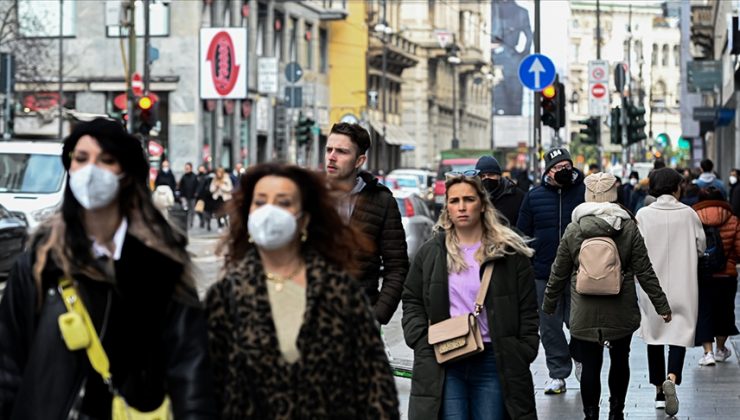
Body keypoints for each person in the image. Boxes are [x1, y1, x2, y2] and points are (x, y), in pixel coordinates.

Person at [0, 118, 216, 418]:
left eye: (106, 160)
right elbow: (8, 364)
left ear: (125, 174)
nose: (91, 170)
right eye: (81, 158)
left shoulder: (161, 265)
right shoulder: (39, 264)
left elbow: (190, 369)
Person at [206, 163, 399, 419]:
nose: (270, 211)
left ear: (305, 218)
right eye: (260, 201)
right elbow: (205, 389)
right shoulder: (226, 295)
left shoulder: (339, 292)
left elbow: (376, 388)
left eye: (283, 202)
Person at [402, 172, 539, 420]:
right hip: (446, 358)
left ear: (482, 204)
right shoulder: (432, 252)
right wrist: (421, 339)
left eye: (469, 199)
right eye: (454, 201)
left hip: (493, 360)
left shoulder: (508, 253)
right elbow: (412, 299)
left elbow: (528, 308)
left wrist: (524, 349)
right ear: (447, 208)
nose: (462, 207)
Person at [544, 172, 672, 420]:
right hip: (620, 308)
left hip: (583, 309)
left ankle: (591, 414)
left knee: (590, 364)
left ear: (587, 195)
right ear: (614, 195)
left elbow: (558, 271)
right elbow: (644, 271)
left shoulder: (574, 229)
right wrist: (662, 305)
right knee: (620, 360)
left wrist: (549, 304)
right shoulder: (628, 228)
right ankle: (616, 413)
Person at [635, 167, 706, 417]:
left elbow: (636, 249)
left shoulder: (643, 214)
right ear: (677, 187)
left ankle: (657, 391)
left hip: (651, 286)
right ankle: (671, 378)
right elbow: (701, 246)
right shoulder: (688, 214)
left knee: (654, 336)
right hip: (683, 282)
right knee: (679, 333)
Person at [324, 122, 408, 325]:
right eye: (329, 149)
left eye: (342, 151)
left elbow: (397, 267)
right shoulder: (306, 195)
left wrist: (377, 316)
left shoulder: (381, 201)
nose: (332, 157)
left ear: (359, 160)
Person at [517, 147, 585, 394]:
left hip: (579, 272)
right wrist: (529, 264)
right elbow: (521, 233)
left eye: (568, 167)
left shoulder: (585, 192)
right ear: (549, 171)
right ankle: (558, 374)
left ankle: (580, 359)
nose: (564, 171)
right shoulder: (534, 196)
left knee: (578, 322)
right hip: (544, 274)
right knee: (550, 326)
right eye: (559, 168)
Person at [691, 187, 740, 366]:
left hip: (702, 273)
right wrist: (730, 260)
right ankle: (720, 349)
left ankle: (708, 352)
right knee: (725, 311)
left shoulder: (693, 218)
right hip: (727, 275)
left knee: (704, 311)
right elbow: (738, 249)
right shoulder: (733, 219)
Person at [475, 155, 525, 226]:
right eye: (482, 176)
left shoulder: (517, 195)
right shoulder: (474, 197)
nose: (486, 178)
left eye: (491, 174)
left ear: (499, 176)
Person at [178, 162, 199, 228]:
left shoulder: (194, 176)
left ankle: (191, 222)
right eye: (186, 168)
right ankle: (186, 222)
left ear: (191, 168)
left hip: (192, 196)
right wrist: (181, 195)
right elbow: (181, 187)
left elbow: (197, 186)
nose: (186, 169)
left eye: (188, 168)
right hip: (185, 196)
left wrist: (196, 193)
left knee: (192, 210)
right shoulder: (183, 177)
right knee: (186, 210)